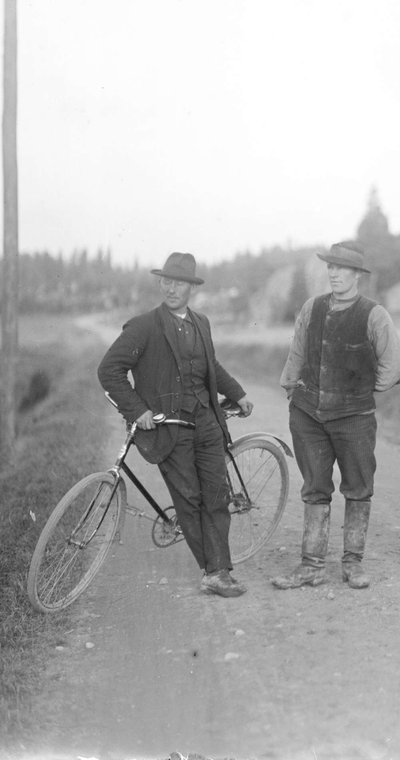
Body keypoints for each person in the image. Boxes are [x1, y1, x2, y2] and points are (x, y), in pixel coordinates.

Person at [98, 252, 255, 598]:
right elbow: (109, 370)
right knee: (190, 500)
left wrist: (237, 394)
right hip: (170, 428)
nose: (171, 289)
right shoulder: (143, 326)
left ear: (191, 288)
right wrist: (136, 410)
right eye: (166, 282)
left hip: (207, 423)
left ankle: (218, 569)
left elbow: (211, 367)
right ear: (160, 283)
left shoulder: (202, 322)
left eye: (179, 283)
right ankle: (214, 571)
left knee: (216, 496)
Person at [273, 241, 400, 590]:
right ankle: (311, 565)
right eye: (329, 266)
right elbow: (295, 355)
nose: (333, 273)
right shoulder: (312, 308)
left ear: (357, 275)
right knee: (315, 486)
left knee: (359, 487)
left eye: (341, 268)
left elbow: (392, 366)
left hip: (354, 418)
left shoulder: (373, 314)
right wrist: (293, 390)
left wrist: (361, 391)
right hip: (308, 415)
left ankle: (353, 563)